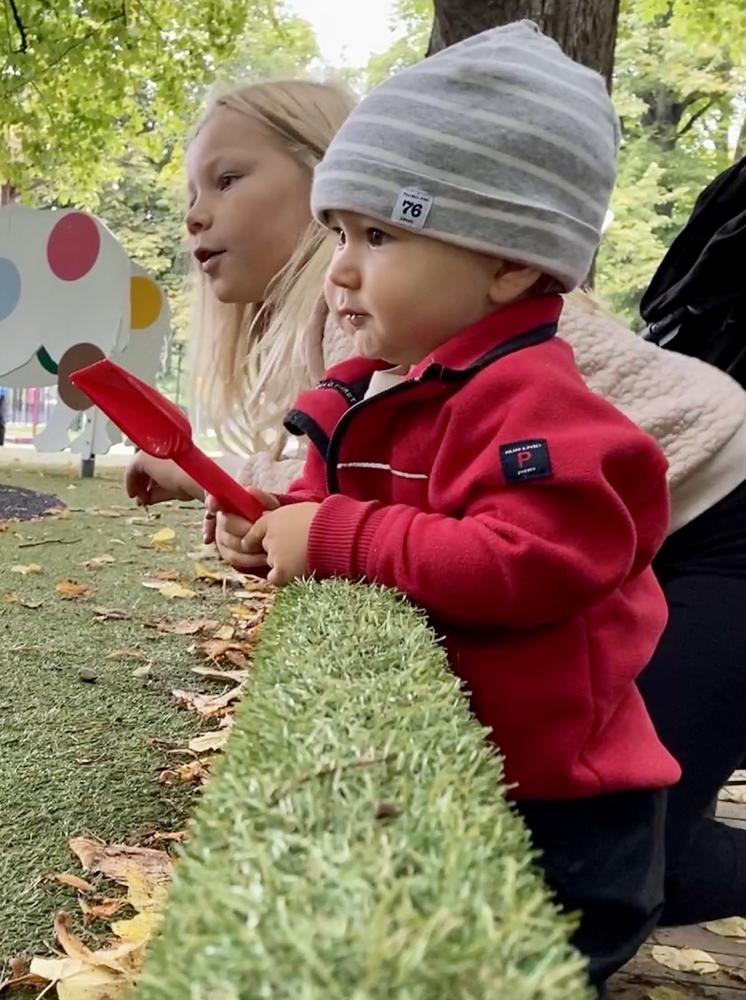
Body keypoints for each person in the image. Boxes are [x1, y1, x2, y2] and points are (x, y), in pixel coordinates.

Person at [126, 65, 746, 937]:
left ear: (509, 262)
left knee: (649, 865)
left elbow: (523, 553)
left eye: (377, 234)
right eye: (338, 234)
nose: (341, 268)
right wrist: (274, 519)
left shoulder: (532, 389)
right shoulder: (400, 350)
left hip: (721, 509)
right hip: (602, 541)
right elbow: (373, 488)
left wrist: (333, 533)